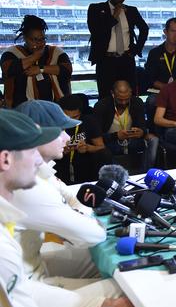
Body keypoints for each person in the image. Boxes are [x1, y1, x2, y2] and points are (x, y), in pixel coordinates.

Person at [0, 109, 165, 307]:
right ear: (5, 160)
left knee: (124, 291)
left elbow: (24, 292)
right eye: (31, 150)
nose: (38, 161)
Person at [13, 100, 106, 284]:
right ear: (38, 133)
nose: (67, 138)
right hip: (29, 285)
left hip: (33, 264)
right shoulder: (28, 184)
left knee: (105, 262)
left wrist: (76, 216)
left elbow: (73, 198)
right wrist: (78, 220)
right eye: (60, 131)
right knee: (124, 286)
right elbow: (91, 235)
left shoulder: (41, 171)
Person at [87, 0, 149, 99]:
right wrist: (114, 16)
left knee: (130, 95)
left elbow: (144, 29)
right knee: (106, 96)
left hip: (126, 59)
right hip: (106, 60)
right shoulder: (95, 9)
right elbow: (96, 31)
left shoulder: (131, 10)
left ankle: (129, 118)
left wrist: (137, 49)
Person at [1, 15, 72, 108]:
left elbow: (67, 69)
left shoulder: (55, 52)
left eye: (42, 39)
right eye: (34, 39)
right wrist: (35, 57)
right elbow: (8, 69)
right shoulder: (11, 53)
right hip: (21, 110)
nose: (39, 43)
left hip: (56, 108)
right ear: (25, 38)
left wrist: (41, 69)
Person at [94, 80, 157, 171]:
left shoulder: (137, 102)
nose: (123, 102)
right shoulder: (102, 106)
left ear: (131, 93)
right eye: (120, 99)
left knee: (154, 140)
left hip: (132, 139)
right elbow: (96, 137)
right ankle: (117, 175)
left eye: (127, 99)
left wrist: (141, 132)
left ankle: (145, 172)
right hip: (111, 142)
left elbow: (142, 126)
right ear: (113, 94)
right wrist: (116, 135)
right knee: (103, 151)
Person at [55, 94, 111, 185]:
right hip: (62, 161)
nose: (71, 121)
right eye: (67, 117)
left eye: (75, 117)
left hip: (85, 160)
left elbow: (101, 147)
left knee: (104, 154)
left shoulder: (89, 121)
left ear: (80, 113)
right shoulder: (53, 123)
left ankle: (100, 184)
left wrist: (88, 148)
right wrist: (62, 151)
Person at [144, 17, 176, 127]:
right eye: (173, 31)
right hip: (160, 92)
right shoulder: (155, 53)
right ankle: (154, 135)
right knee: (152, 101)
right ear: (165, 32)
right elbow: (150, 79)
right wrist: (168, 89)